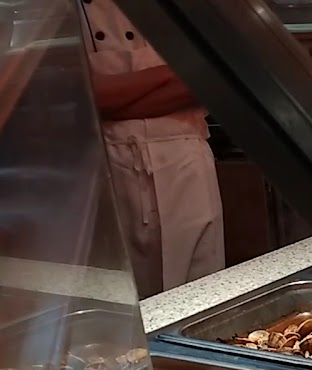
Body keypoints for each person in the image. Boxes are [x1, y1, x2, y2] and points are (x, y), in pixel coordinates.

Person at [79, 0, 224, 298]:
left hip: (187, 163)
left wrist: (114, 95)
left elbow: (212, 77)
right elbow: (79, 93)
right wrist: (178, 71)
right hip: (105, 170)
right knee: (125, 306)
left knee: (199, 299)